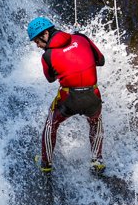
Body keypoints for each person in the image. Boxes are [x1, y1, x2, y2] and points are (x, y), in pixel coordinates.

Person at [27, 17, 105, 174]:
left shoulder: (47, 56)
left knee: (51, 123)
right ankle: (97, 161)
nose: (38, 46)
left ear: (46, 34)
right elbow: (101, 60)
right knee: (96, 121)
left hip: (69, 98)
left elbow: (50, 79)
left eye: (37, 41)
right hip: (93, 94)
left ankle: (46, 164)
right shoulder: (82, 38)